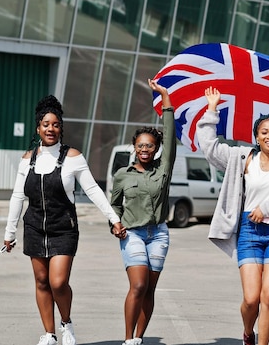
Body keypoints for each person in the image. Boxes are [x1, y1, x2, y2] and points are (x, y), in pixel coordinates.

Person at [3, 95, 126, 345]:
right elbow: (18, 195)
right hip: (35, 227)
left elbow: (93, 191)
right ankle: (49, 334)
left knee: (58, 282)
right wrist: (10, 232)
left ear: (61, 128)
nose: (51, 128)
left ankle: (66, 323)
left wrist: (114, 218)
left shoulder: (73, 157)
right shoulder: (27, 159)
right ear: (38, 127)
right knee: (41, 281)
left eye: (56, 124)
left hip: (64, 229)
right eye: (46, 124)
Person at [195, 86, 269, 345]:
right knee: (251, 299)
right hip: (249, 233)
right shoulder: (243, 158)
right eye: (265, 132)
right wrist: (212, 108)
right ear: (256, 137)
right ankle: (248, 332)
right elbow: (210, 148)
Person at [110, 79, 176, 345]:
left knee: (149, 289)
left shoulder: (163, 170)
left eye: (150, 146)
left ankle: (139, 338)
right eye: (141, 145)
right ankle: (128, 339)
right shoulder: (122, 175)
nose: (145, 149)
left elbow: (170, 135)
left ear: (155, 148)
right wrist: (114, 223)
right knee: (137, 286)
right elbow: (113, 205)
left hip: (158, 234)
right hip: (132, 234)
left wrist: (165, 97)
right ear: (134, 147)